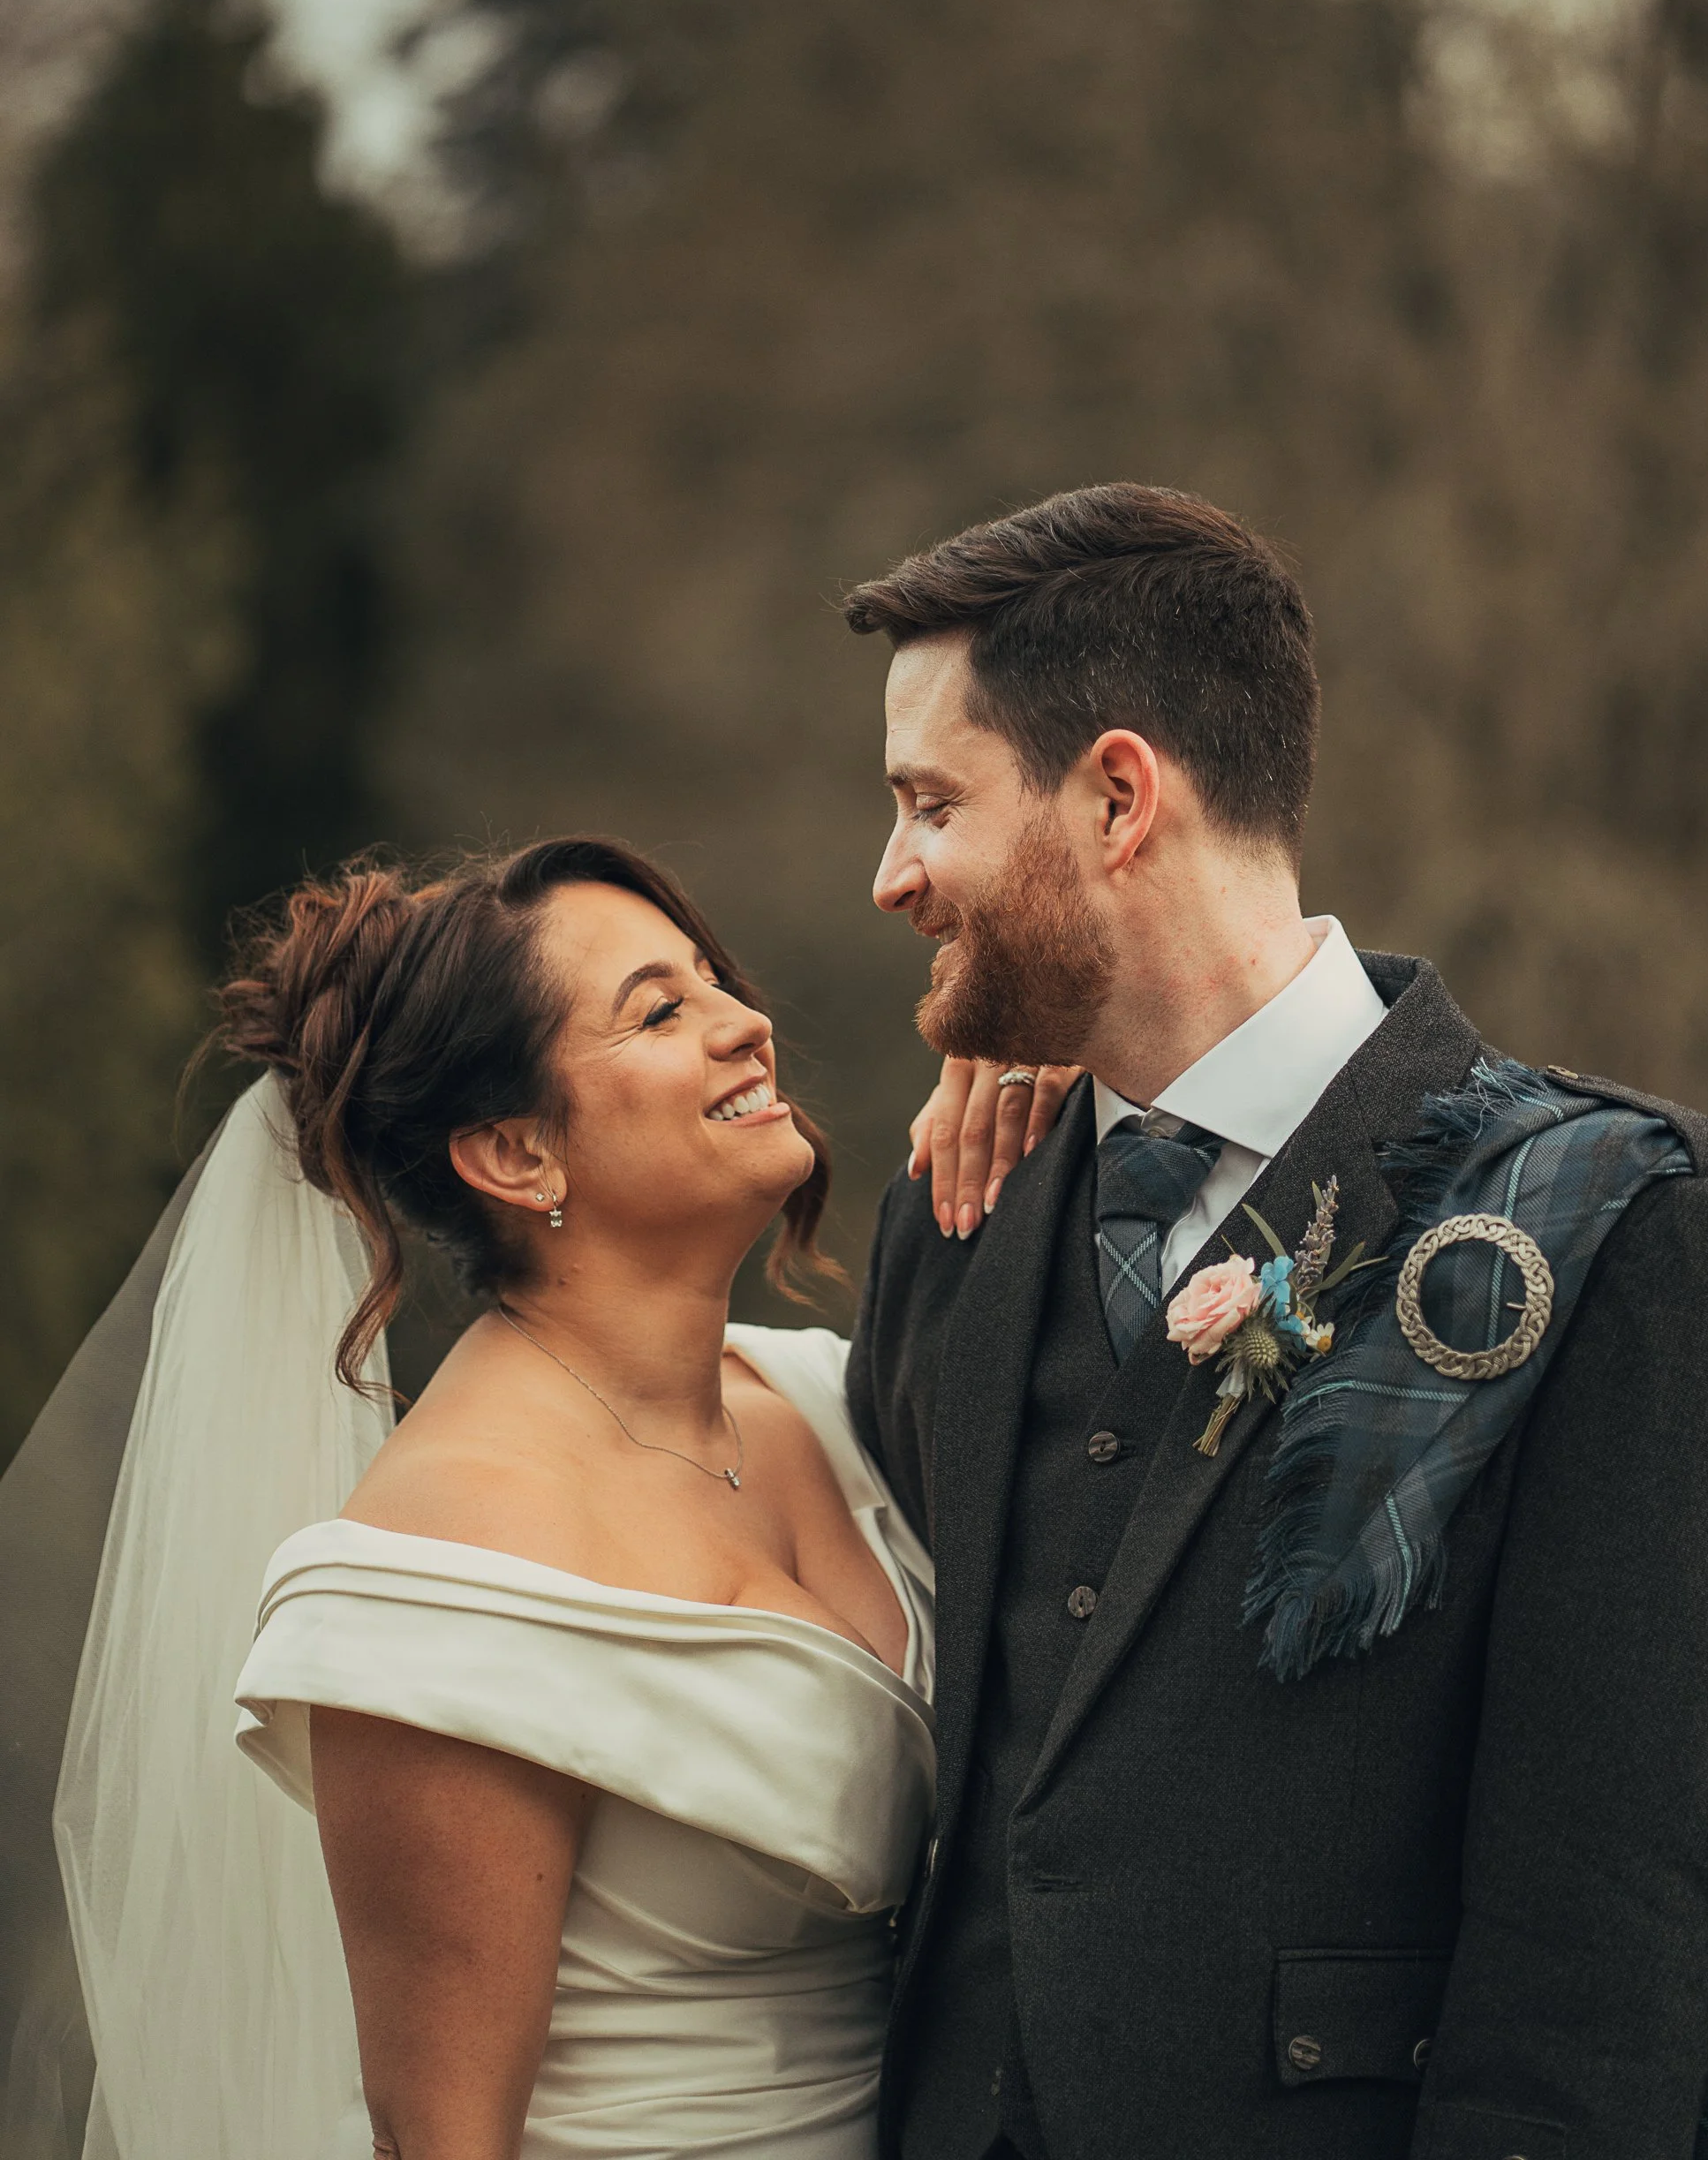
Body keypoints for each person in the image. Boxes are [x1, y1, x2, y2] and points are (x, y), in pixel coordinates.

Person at [843, 480, 1708, 2160]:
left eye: (930, 805)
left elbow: (1617, 1938)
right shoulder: (955, 1218)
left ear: (1119, 797)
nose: (891, 874)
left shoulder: (1624, 1236)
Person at [10, 835, 1054, 2160]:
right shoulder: (441, 1566)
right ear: (515, 1154)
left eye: (715, 980)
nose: (748, 1025)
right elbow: (444, 2138)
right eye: (662, 1011)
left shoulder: (825, 1403)